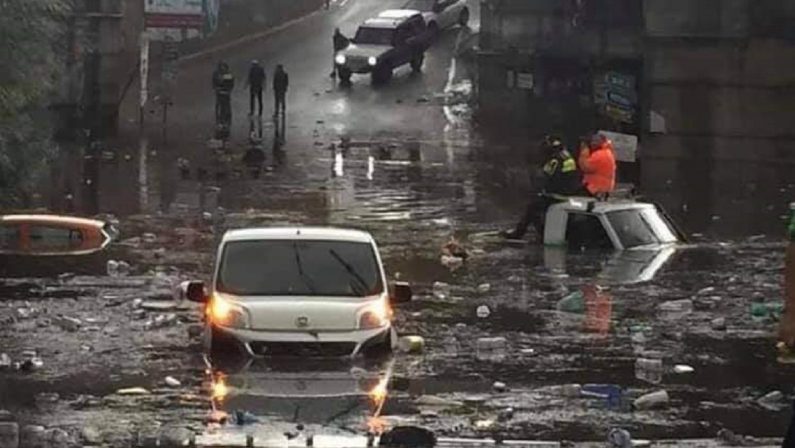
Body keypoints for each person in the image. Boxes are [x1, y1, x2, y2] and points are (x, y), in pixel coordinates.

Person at [501, 136, 581, 240]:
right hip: (569, 193)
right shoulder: (568, 157)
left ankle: (520, 233)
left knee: (532, 208)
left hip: (557, 195)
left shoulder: (554, 161)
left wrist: (538, 190)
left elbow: (544, 178)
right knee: (537, 207)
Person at [578, 133, 617, 197]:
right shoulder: (606, 152)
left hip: (595, 189)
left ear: (602, 142)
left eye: (596, 141)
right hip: (601, 189)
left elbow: (585, 167)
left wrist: (584, 152)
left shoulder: (600, 154)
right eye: (592, 141)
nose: (593, 143)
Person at [212, 61, 235, 126]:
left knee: (226, 105)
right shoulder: (216, 74)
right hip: (219, 92)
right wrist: (216, 88)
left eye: (223, 67)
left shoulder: (227, 74)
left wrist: (229, 89)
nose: (222, 68)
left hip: (226, 92)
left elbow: (230, 83)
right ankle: (220, 118)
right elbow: (214, 82)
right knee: (219, 105)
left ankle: (226, 118)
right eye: (221, 67)